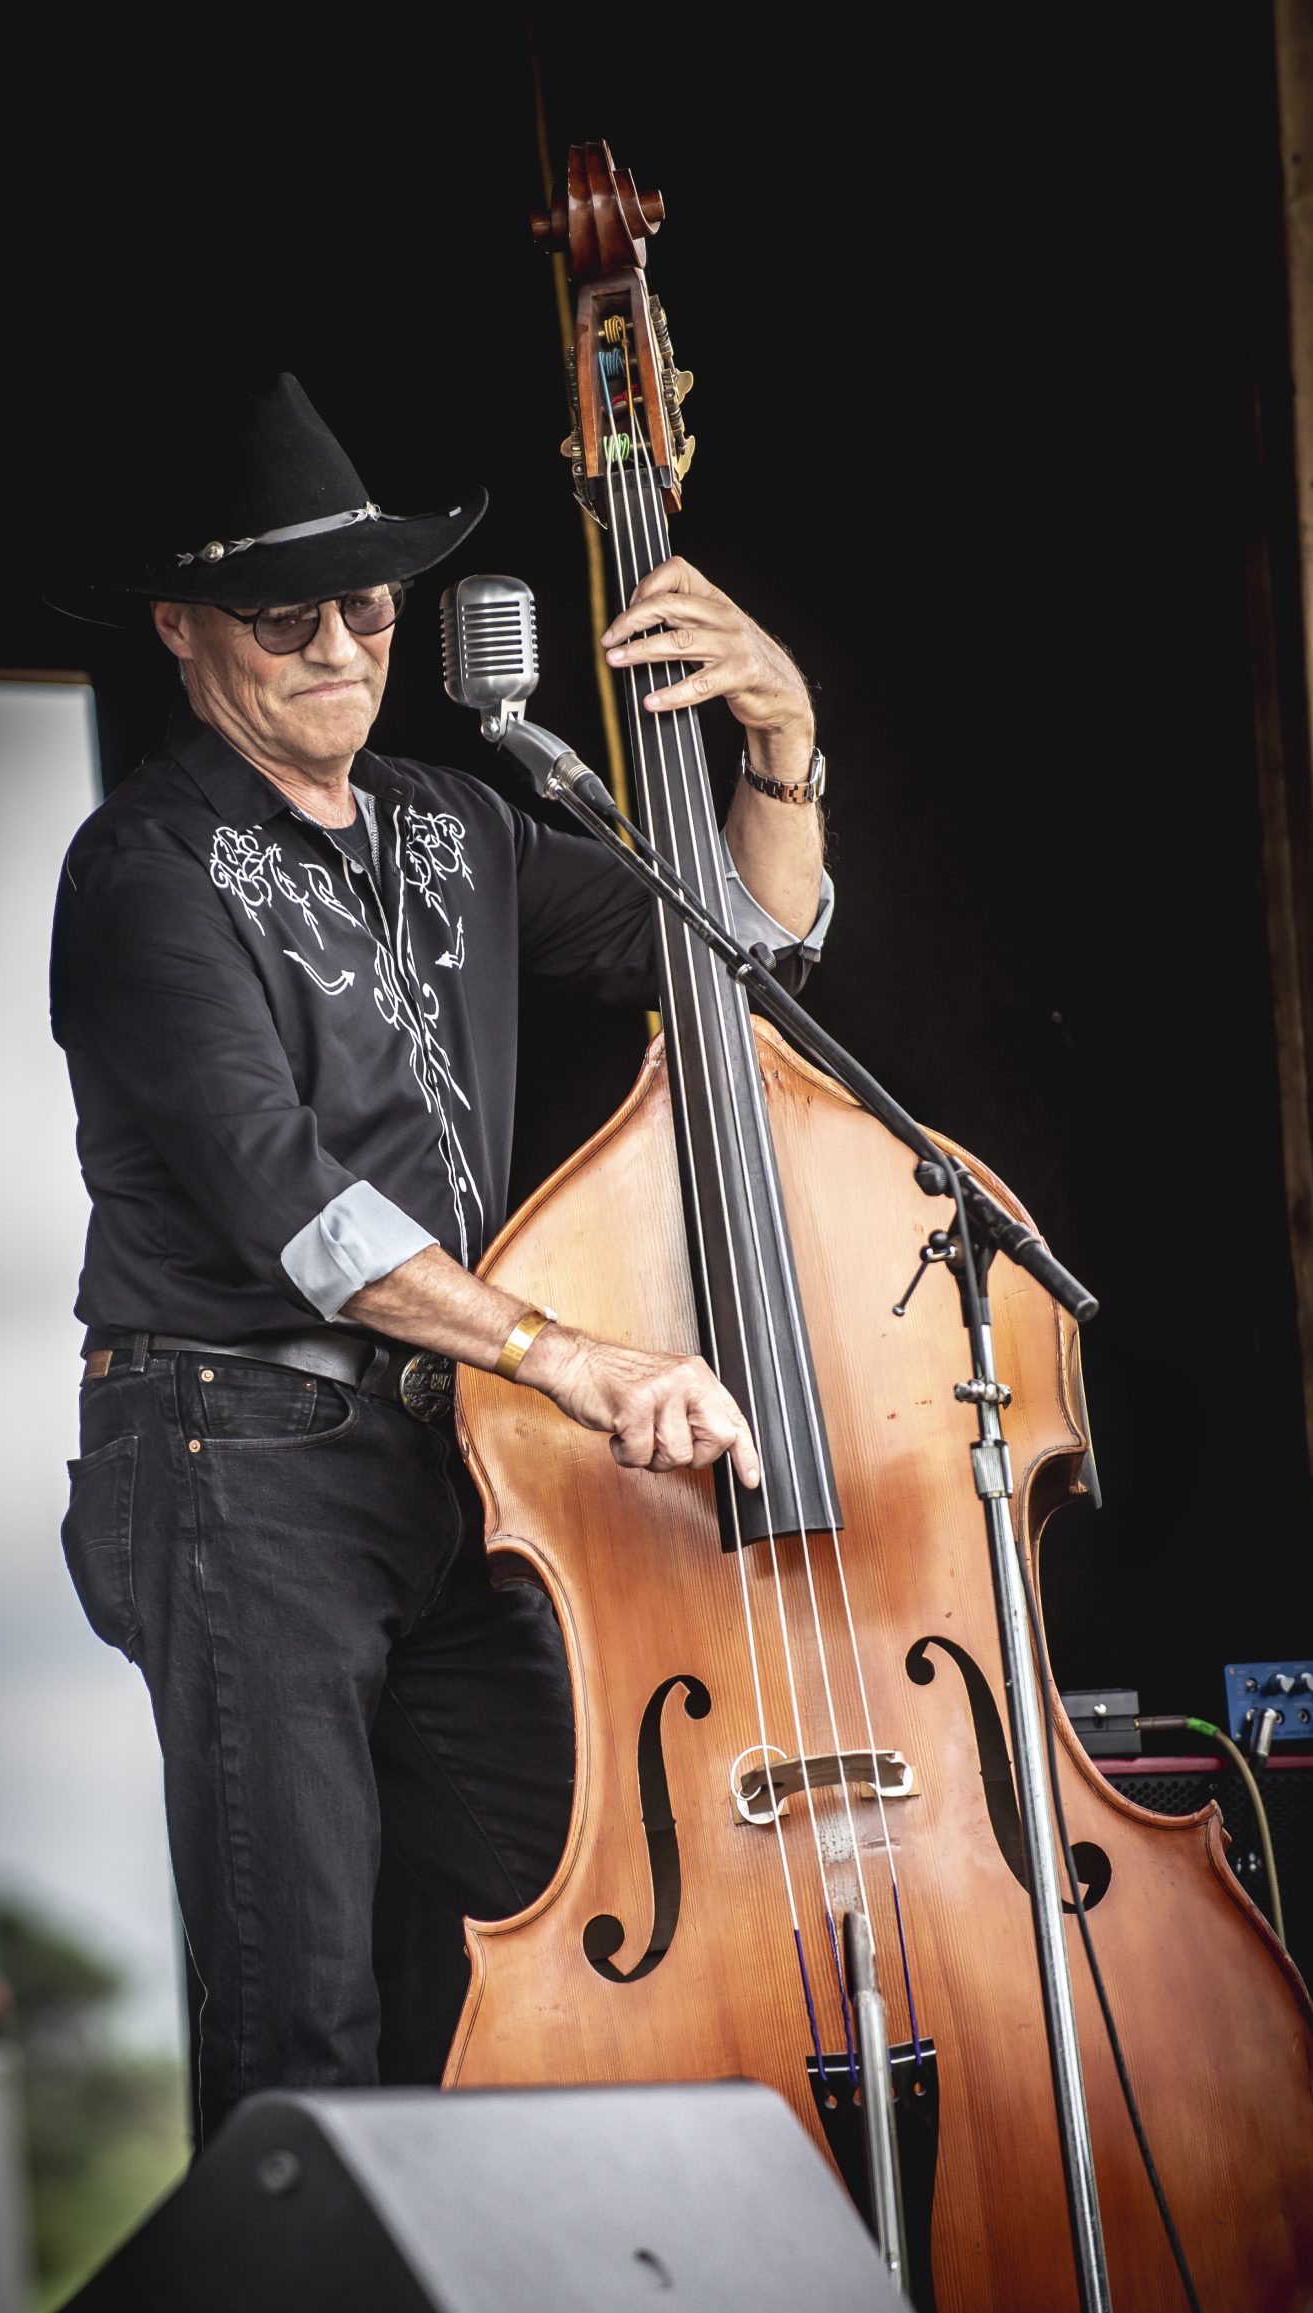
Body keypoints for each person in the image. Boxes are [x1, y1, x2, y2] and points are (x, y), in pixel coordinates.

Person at [52, 374, 831, 2145]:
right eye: (284, 616)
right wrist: (570, 1357)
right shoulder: (143, 870)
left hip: (440, 1451)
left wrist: (783, 743)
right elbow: (294, 1207)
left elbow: (743, 951)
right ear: (180, 628)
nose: (338, 646)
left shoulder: (448, 821)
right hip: (234, 1452)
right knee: (304, 2008)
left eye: (370, 607)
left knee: (560, 1919)